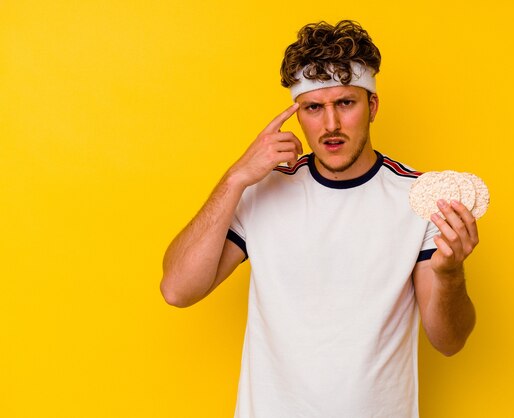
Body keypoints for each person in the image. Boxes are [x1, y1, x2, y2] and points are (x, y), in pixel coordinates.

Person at [161, 20, 478, 418]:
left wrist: (450, 274)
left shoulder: (418, 199)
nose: (330, 125)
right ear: (298, 115)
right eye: (313, 107)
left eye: (345, 103)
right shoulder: (262, 192)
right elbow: (177, 289)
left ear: (372, 106)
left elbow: (449, 341)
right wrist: (236, 177)